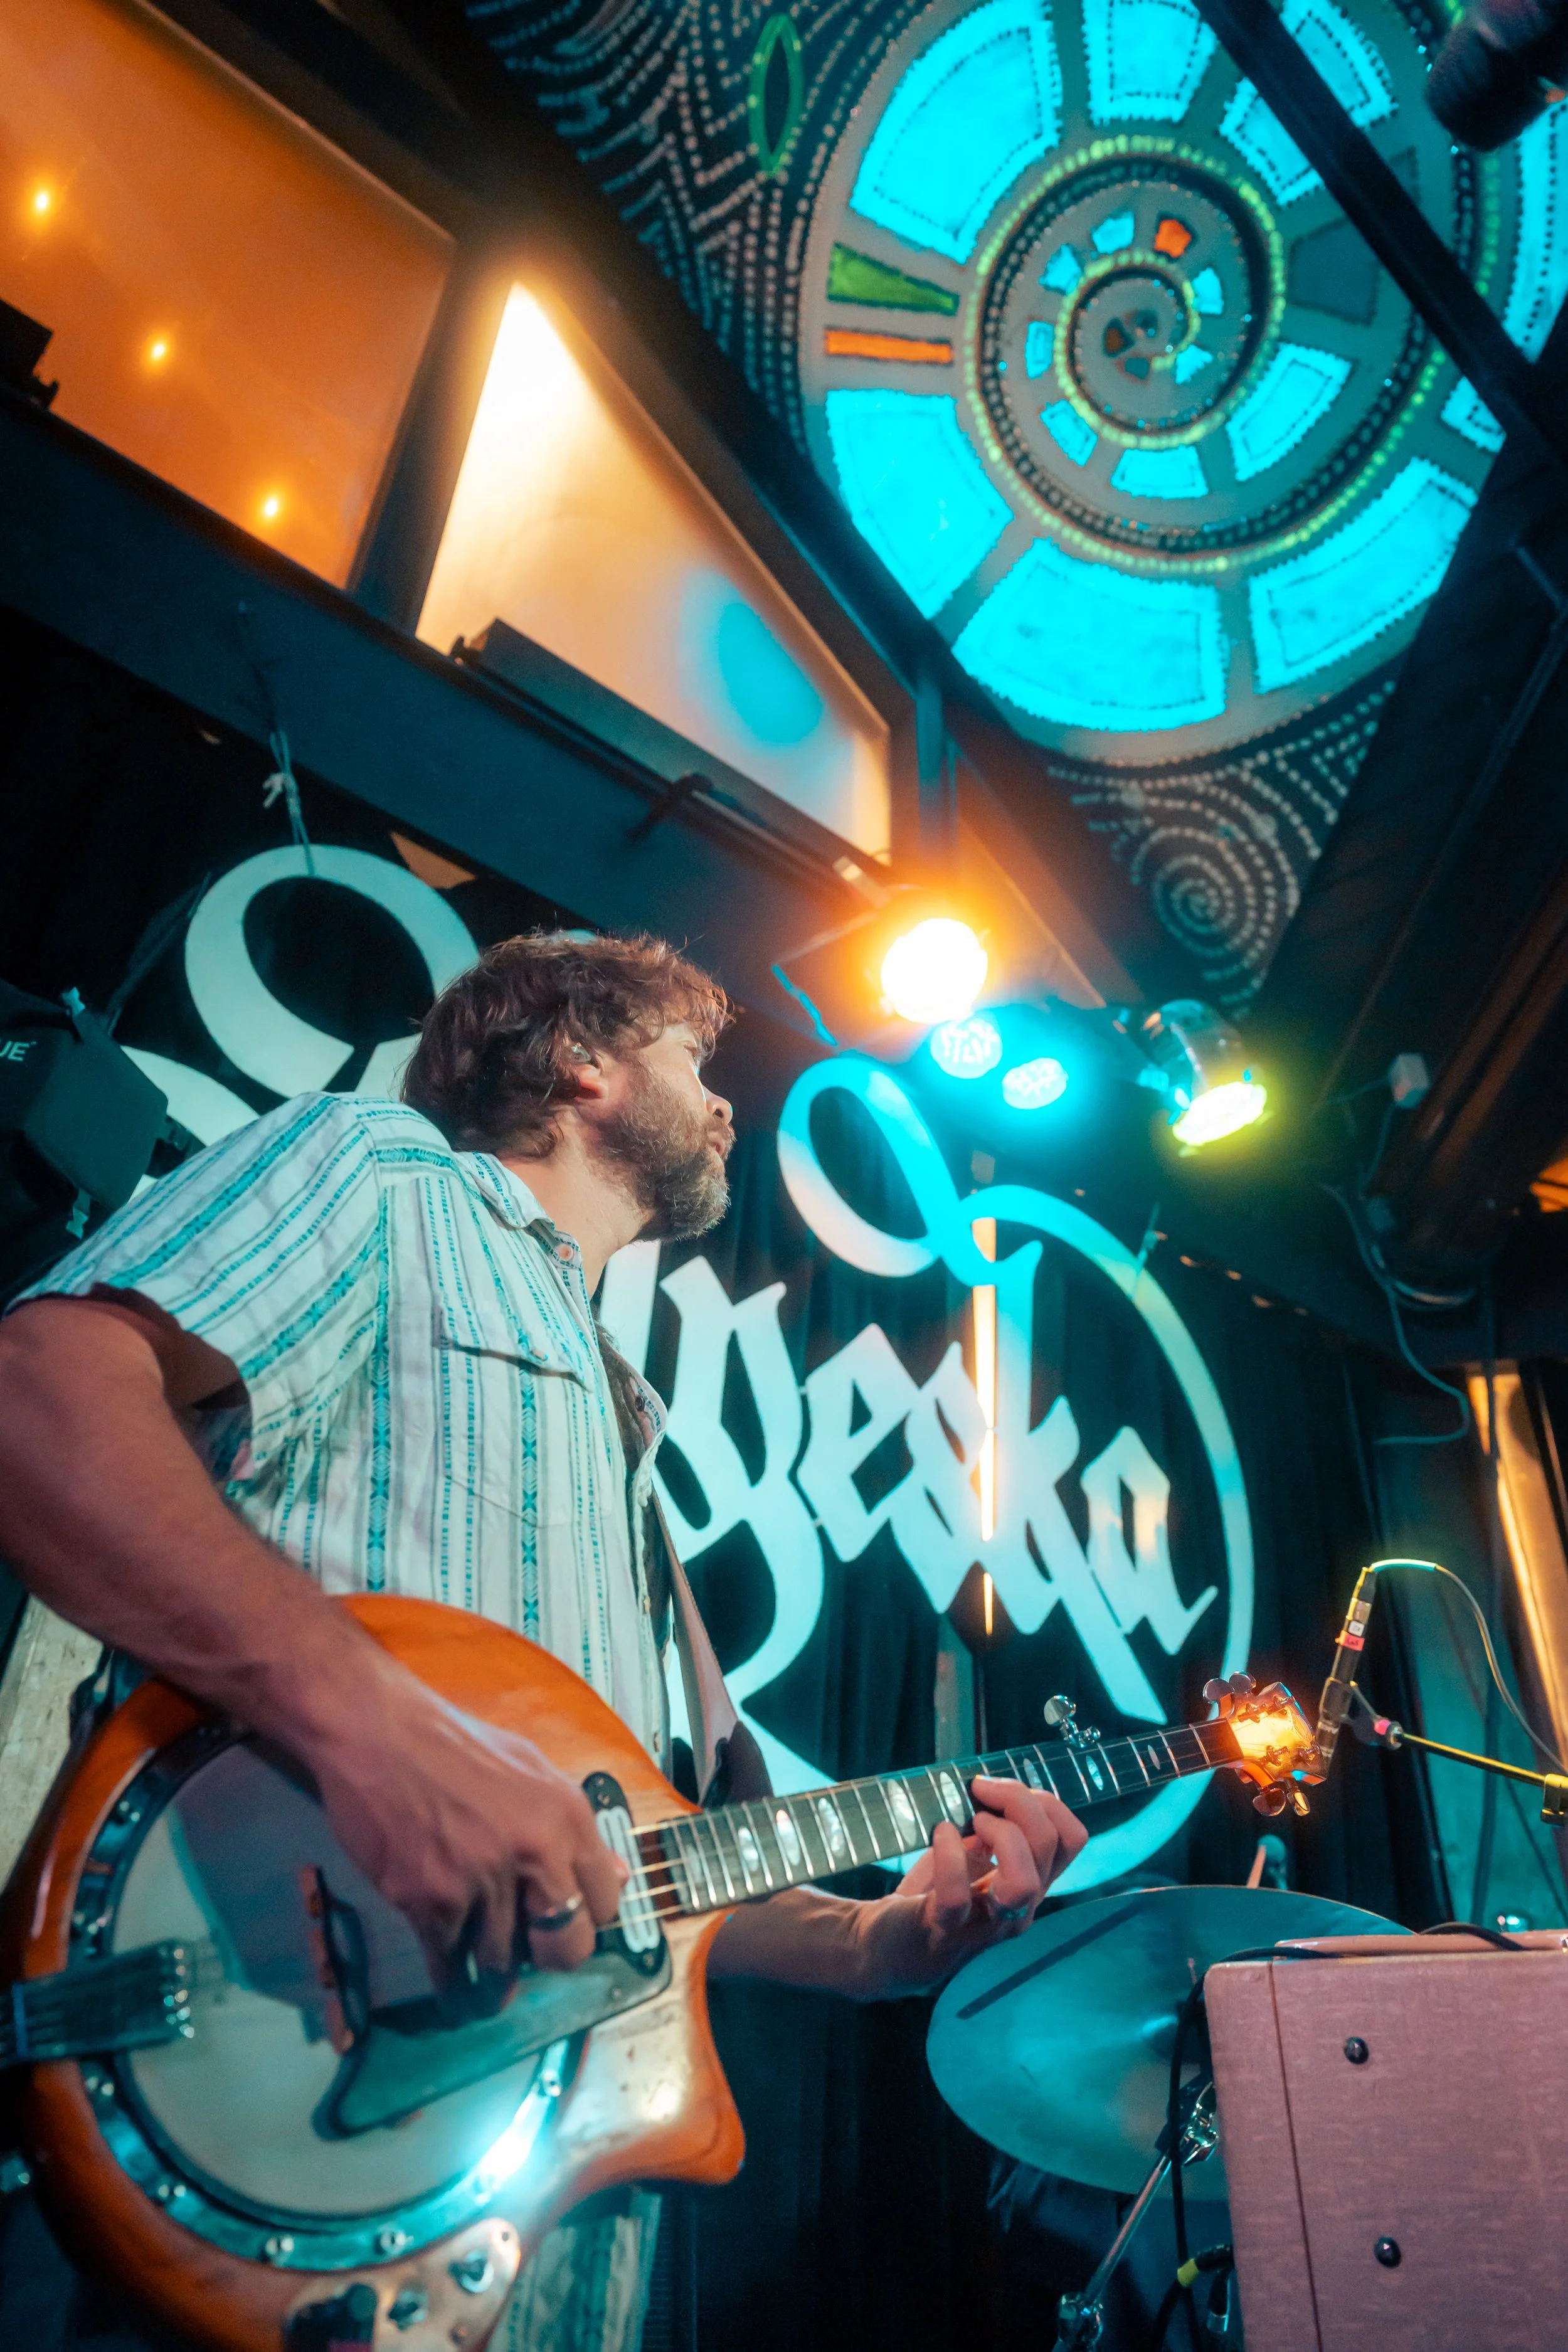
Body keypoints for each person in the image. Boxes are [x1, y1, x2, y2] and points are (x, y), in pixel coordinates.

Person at [0, 930, 1086, 2352]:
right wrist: (375, 1730)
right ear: (578, 1057)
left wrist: (885, 1941)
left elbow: (637, 1874)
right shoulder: (381, 1174)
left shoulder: (627, 1428)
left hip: (533, 2239)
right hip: (246, 2148)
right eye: (692, 1061)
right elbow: (41, 1397)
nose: (723, 1105)